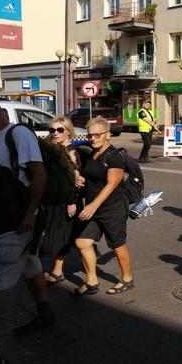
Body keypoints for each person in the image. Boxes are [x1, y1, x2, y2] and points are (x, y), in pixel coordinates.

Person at [0, 99, 54, 364]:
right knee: (30, 264)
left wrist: (30, 214)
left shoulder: (17, 134)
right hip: (5, 219)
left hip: (19, 221)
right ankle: (44, 312)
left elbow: (38, 175)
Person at [73, 117, 134, 295]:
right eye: (90, 135)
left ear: (108, 135)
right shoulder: (93, 153)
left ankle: (127, 279)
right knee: (82, 242)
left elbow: (111, 184)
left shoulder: (115, 156)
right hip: (95, 206)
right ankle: (92, 281)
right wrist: (81, 178)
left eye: (97, 135)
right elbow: (94, 177)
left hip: (112, 207)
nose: (93, 138)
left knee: (117, 245)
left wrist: (92, 206)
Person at [43, 117, 81, 285]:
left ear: (68, 131)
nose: (55, 133)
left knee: (62, 236)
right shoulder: (53, 149)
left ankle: (58, 271)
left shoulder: (71, 152)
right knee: (57, 234)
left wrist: (72, 201)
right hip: (54, 199)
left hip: (67, 200)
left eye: (59, 130)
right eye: (52, 130)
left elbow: (76, 180)